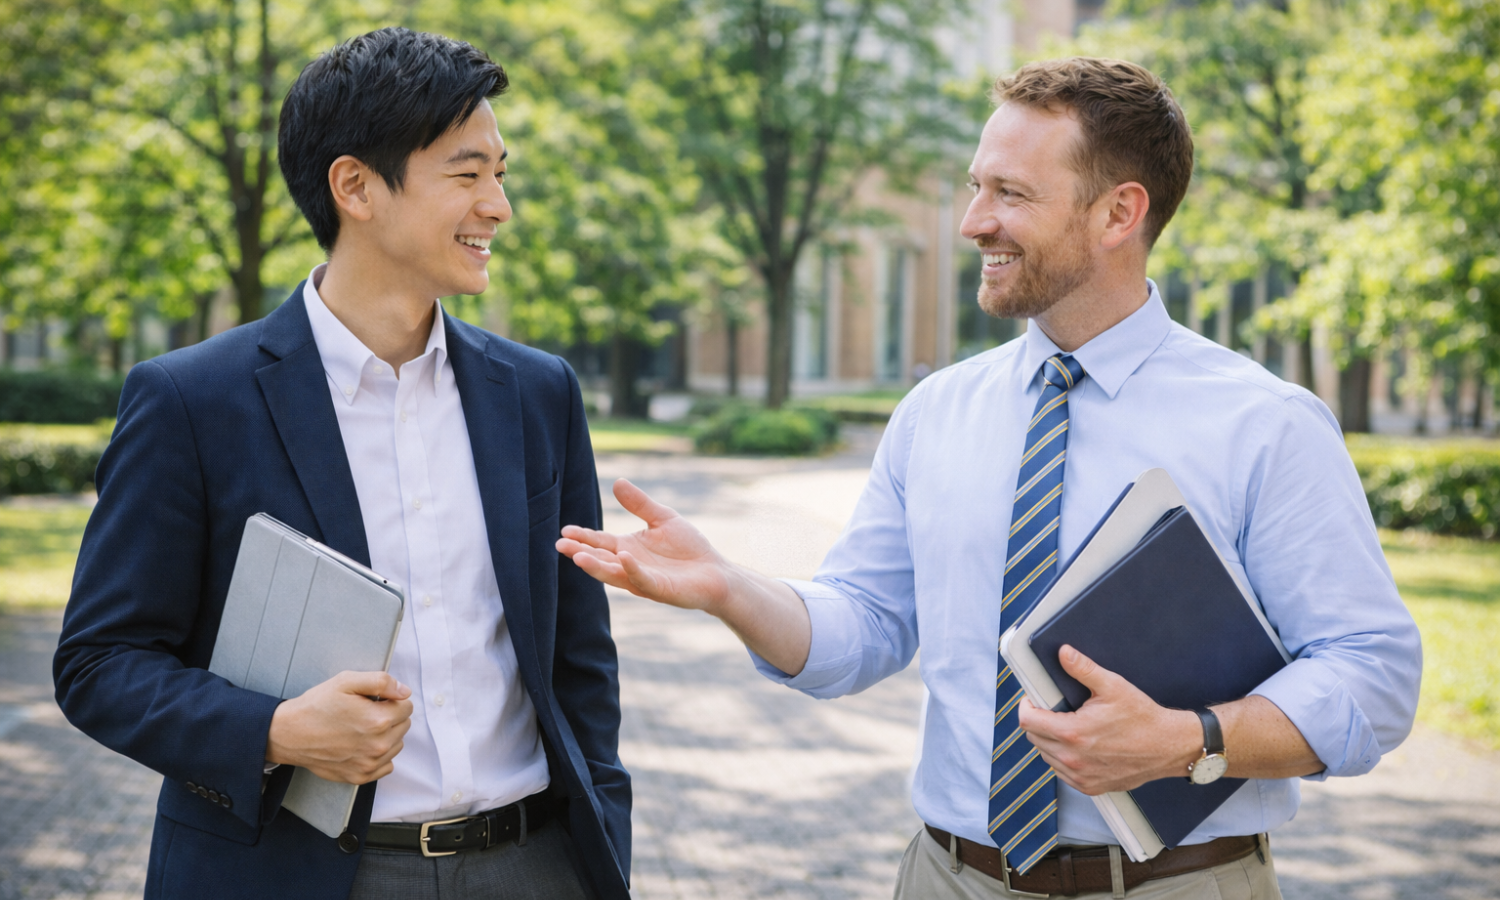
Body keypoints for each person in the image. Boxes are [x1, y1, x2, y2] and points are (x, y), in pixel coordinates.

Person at [558, 57, 1421, 899]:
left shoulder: (1265, 424)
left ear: (1119, 212)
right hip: (948, 877)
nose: (973, 222)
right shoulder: (936, 412)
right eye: (976, 187)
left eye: (1010, 193)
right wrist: (729, 588)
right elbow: (865, 622)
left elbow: (1372, 676)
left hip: (1181, 883)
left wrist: (1189, 740)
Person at [54, 28, 629, 900]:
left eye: (501, 174)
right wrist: (275, 730)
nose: (499, 206)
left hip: (535, 865)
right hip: (297, 874)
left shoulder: (538, 393)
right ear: (355, 186)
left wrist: (603, 841)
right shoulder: (192, 400)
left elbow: (580, 660)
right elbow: (100, 663)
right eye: (468, 174)